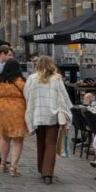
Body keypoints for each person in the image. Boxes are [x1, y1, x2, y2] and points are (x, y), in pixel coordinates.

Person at [24, 56, 73, 184]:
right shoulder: (57, 79)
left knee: (40, 142)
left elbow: (26, 95)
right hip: (53, 114)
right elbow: (64, 97)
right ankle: (48, 173)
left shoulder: (31, 78)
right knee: (50, 143)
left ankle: (42, 169)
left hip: (38, 113)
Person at [0, 58, 27, 177]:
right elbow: (27, 96)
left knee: (4, 136)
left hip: (1, 108)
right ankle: (13, 167)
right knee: (17, 138)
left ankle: (2, 164)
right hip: (17, 109)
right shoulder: (21, 81)